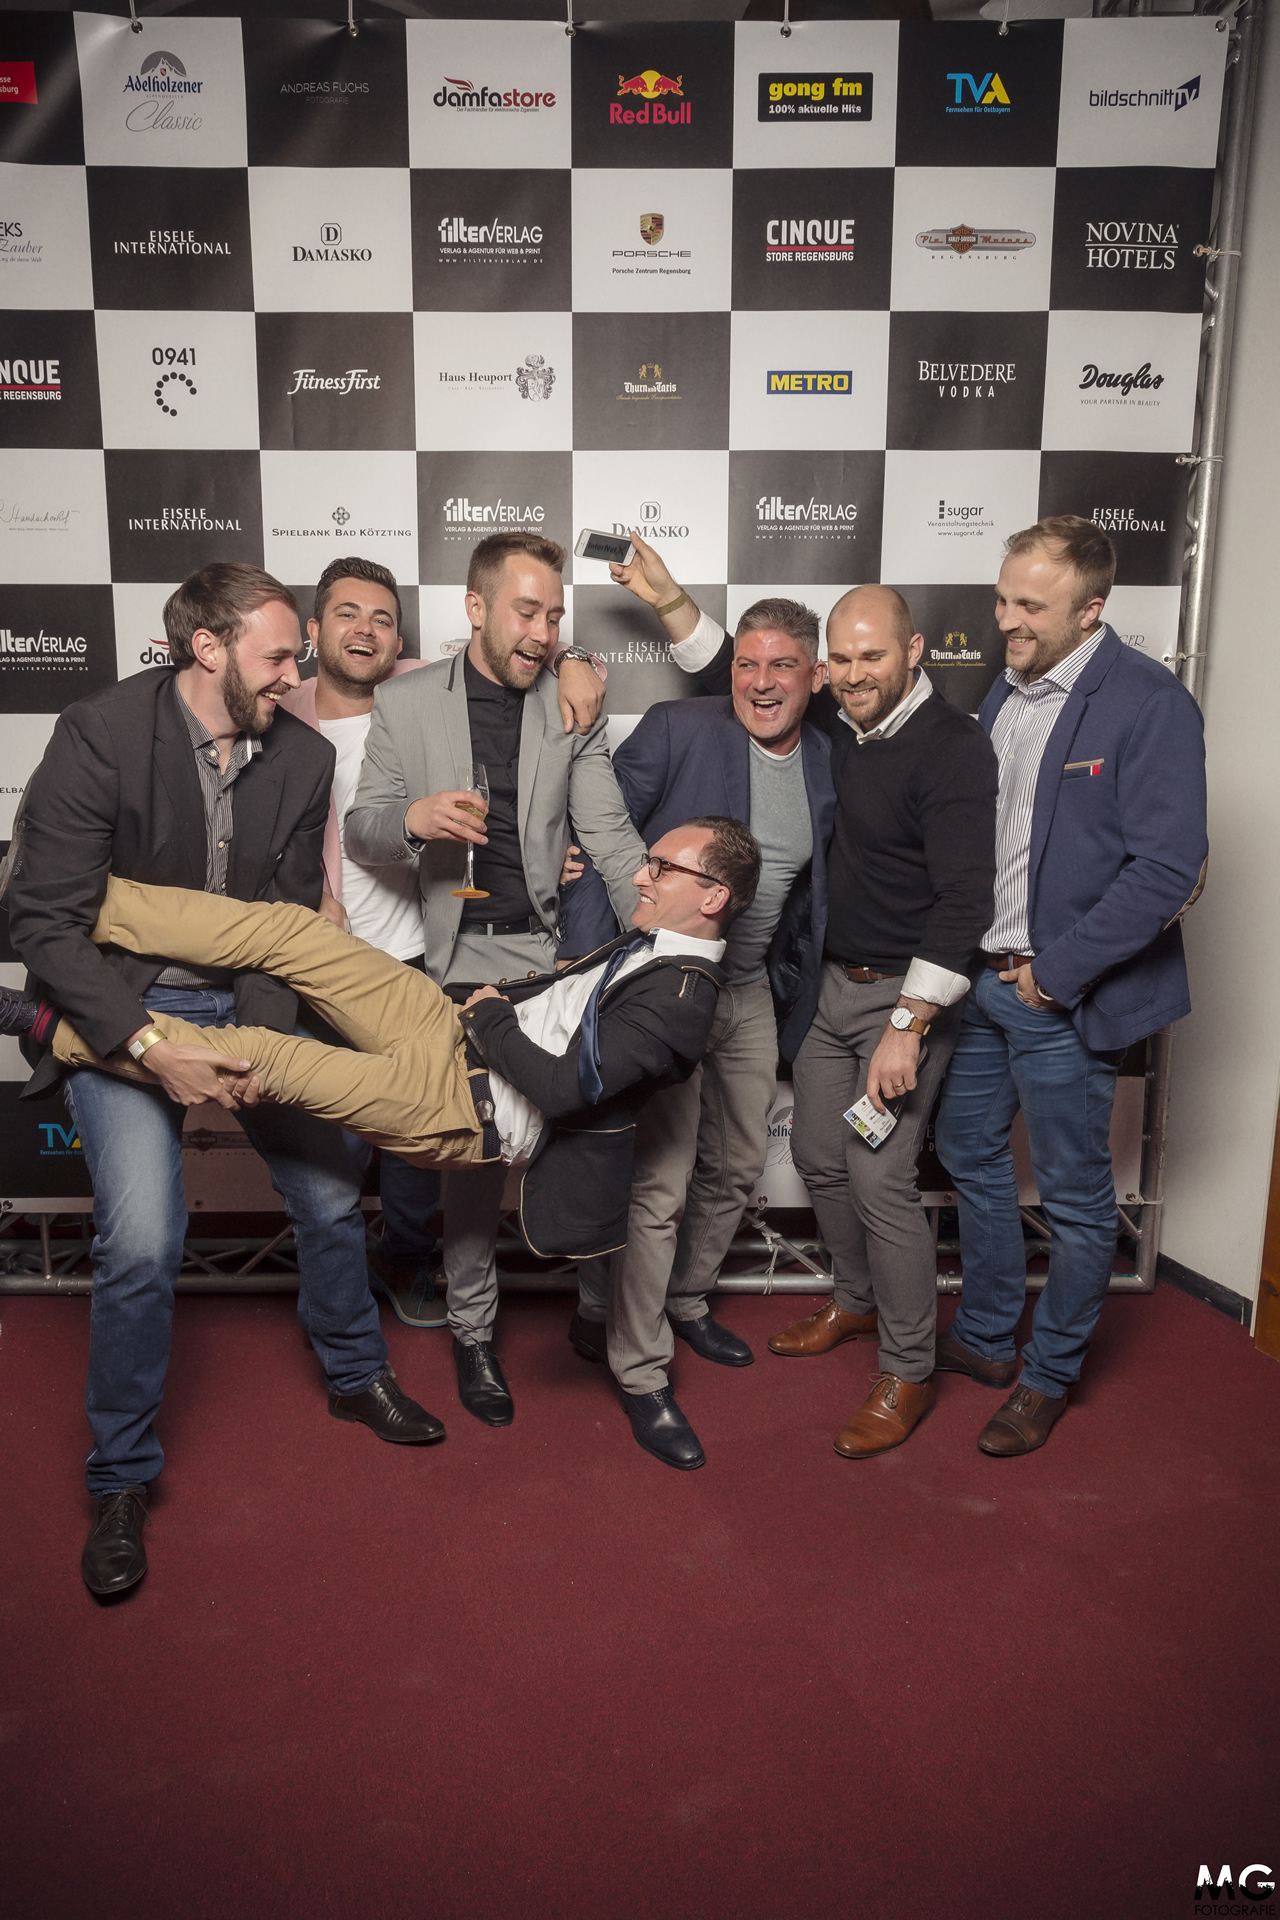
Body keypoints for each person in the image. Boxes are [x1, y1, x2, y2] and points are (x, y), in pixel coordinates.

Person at [5, 816, 761, 1470]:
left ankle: (48, 1027)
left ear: (713, 897)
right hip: (449, 1028)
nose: (641, 874)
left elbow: (565, 1089)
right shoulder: (652, 944)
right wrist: (485, 1013)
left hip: (457, 1104)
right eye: (649, 861)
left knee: (264, 1058)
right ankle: (63, 898)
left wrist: (491, 1016)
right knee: (292, 932)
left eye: (662, 867)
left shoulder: (684, 1001)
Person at [4, 563, 443, 1604]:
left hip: (247, 1005)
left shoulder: (299, 756)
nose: (296, 676)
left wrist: (259, 1050)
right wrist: (150, 1047)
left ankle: (355, 1375)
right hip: (121, 1011)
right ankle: (119, 1476)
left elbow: (282, 931)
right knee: (144, 1240)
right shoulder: (99, 734)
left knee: (330, 1195)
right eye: (278, 656)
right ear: (207, 648)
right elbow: (42, 923)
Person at [607, 537, 998, 1459]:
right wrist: (666, 598)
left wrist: (909, 1026)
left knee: (878, 1179)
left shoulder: (944, 747)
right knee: (820, 1156)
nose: (854, 674)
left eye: (872, 657)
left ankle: (908, 1368)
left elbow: (965, 902)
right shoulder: (844, 727)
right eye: (845, 660)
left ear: (913, 653)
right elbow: (744, 667)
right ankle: (856, 1302)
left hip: (898, 1001)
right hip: (817, 990)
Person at [343, 531, 648, 1428]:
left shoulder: (570, 700)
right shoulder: (406, 702)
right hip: (457, 963)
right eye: (526, 612)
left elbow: (611, 837)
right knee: (473, 1164)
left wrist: (663, 934)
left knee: (588, 1139)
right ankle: (473, 1334)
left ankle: (599, 1314)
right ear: (475, 608)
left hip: (549, 959)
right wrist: (415, 818)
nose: (543, 633)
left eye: (555, 616)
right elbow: (363, 827)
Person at [931, 516, 1208, 1456]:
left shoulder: (1149, 702)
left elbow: (1167, 869)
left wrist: (1053, 976)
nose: (1006, 620)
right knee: (967, 1147)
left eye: (1031, 606)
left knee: (1079, 1201)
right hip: (984, 982)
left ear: (1092, 611)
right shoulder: (1006, 691)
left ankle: (1047, 1377)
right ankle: (986, 1338)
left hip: (1060, 995)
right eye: (1002, 599)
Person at [281, 556, 604, 1331]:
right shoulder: (279, 710)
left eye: (383, 618)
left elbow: (521, 646)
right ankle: (339, 1299)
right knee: (331, 1144)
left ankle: (407, 1258)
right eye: (348, 614)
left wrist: (576, 660)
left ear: (401, 639)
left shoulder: (427, 683)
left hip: (422, 951)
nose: (366, 630)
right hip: (327, 954)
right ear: (314, 630)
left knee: (425, 1134)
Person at [561, 583, 835, 1470]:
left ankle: (681, 1301)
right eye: (746, 663)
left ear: (817, 677)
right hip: (663, 989)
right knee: (657, 1184)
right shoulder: (681, 729)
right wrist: (584, 954)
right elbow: (600, 828)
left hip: (746, 992)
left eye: (783, 665)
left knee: (738, 1164)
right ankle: (635, 1361)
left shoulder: (829, 758)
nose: (761, 681)